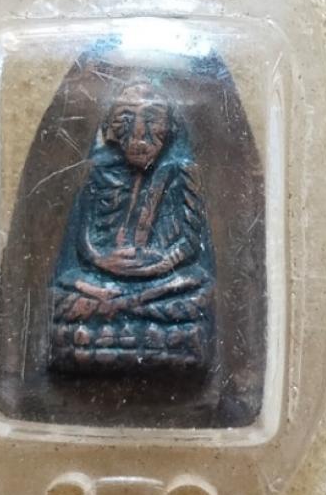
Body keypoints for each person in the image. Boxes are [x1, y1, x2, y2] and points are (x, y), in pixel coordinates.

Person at [49, 79, 216, 374]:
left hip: (162, 284)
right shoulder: (98, 172)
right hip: (104, 283)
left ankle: (114, 315)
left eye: (152, 121)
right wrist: (103, 260)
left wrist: (158, 265)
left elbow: (190, 242)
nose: (139, 134)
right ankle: (135, 315)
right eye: (126, 120)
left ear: (170, 128)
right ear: (110, 129)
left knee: (197, 287)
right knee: (64, 289)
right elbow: (83, 240)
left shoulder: (182, 172)